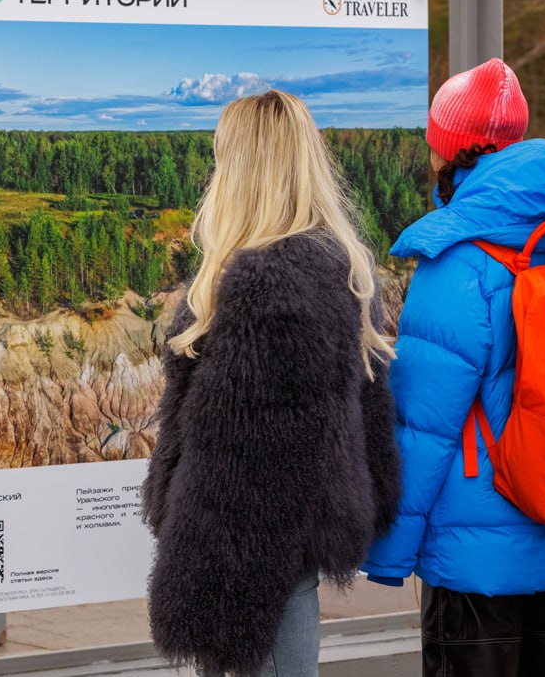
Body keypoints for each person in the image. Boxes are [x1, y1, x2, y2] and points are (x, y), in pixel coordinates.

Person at [141, 90, 403, 677]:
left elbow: (252, 475)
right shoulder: (340, 266)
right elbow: (366, 417)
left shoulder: (267, 290)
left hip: (249, 576)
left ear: (241, 169)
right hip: (288, 555)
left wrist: (192, 562)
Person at [361, 58, 545, 677]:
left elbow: (425, 425)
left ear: (445, 148)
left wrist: (390, 554)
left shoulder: (456, 260)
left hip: (474, 566)